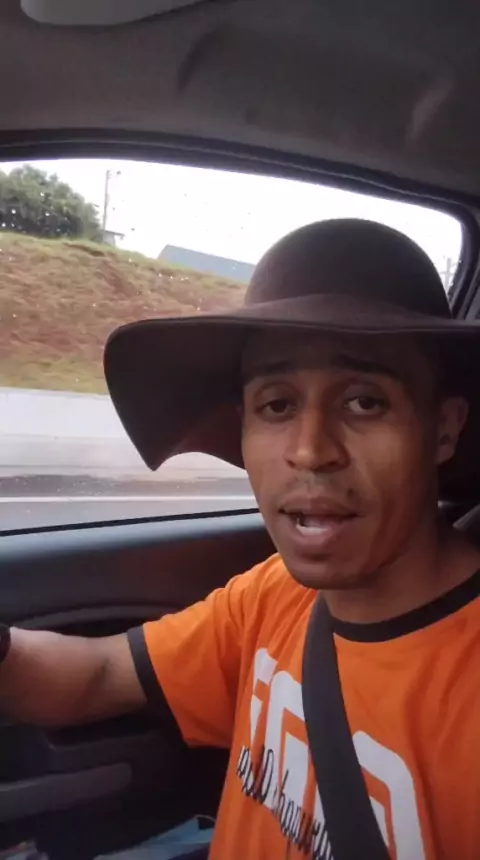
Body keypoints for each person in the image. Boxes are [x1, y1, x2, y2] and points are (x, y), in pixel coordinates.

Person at [1, 219, 480, 860]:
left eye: (365, 402)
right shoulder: (273, 595)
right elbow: (98, 674)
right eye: (277, 405)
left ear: (444, 430)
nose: (309, 450)